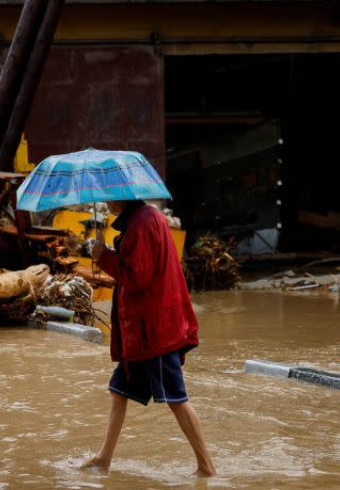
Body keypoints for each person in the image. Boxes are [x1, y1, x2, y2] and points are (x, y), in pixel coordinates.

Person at [80, 199, 216, 477]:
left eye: (109, 197)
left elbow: (137, 278)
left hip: (154, 330)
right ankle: (104, 458)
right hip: (146, 329)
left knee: (176, 398)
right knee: (118, 391)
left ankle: (207, 466)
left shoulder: (141, 224)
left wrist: (103, 256)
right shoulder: (147, 217)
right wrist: (108, 251)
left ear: (120, 197)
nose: (106, 202)